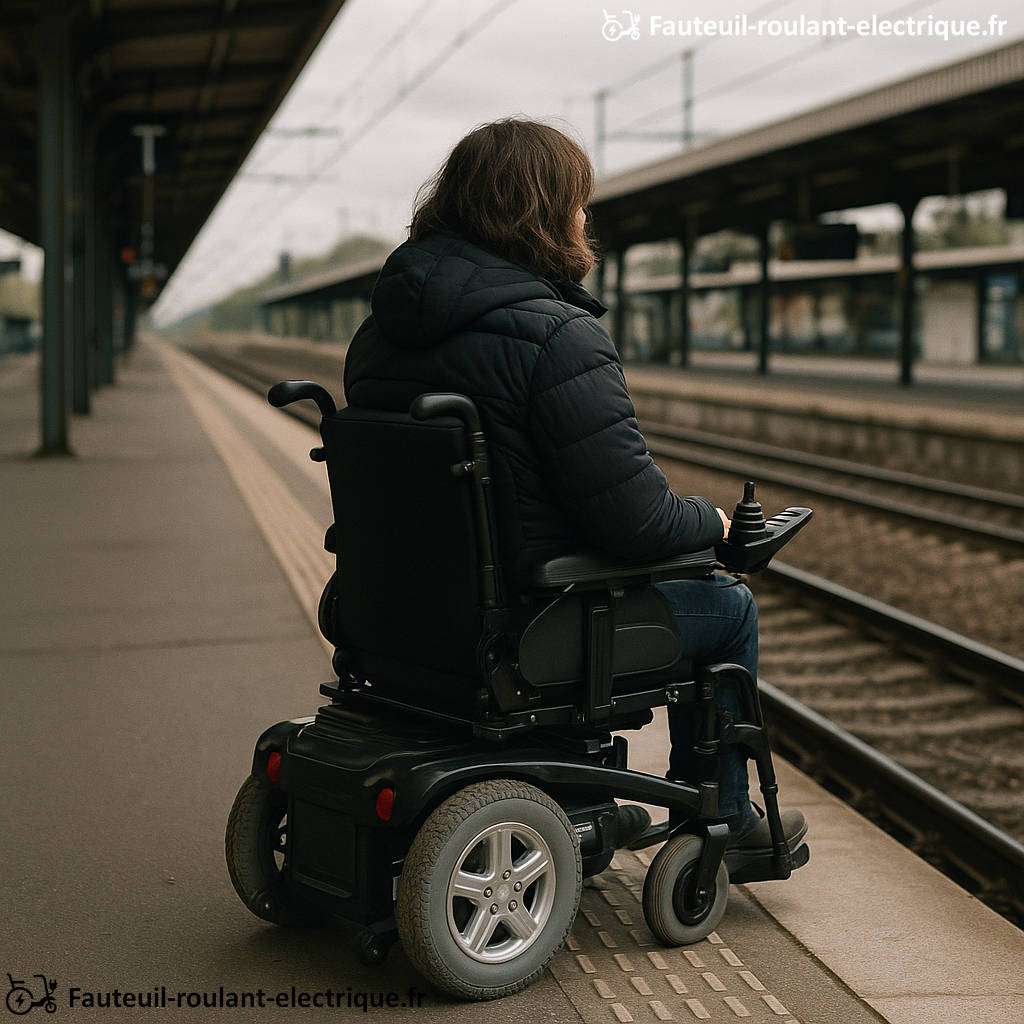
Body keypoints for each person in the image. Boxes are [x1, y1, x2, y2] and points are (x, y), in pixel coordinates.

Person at [343, 117, 805, 852]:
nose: (585, 219)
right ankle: (722, 814)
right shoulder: (558, 336)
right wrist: (713, 524)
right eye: (579, 203)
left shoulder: (378, 336)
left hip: (394, 619)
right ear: (541, 212)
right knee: (727, 604)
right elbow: (635, 523)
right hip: (524, 628)